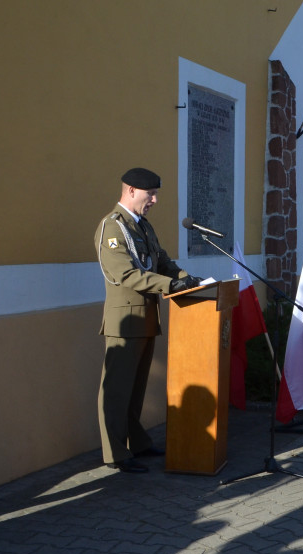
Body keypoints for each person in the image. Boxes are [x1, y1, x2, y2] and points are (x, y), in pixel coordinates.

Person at [95, 168, 201, 474]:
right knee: (116, 390)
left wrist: (188, 280)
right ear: (130, 190)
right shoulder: (113, 228)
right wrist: (171, 286)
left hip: (145, 319)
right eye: (149, 194)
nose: (154, 200)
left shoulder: (143, 227)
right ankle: (115, 453)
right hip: (125, 321)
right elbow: (125, 273)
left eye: (155, 194)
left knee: (135, 388)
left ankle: (136, 443)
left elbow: (164, 263)